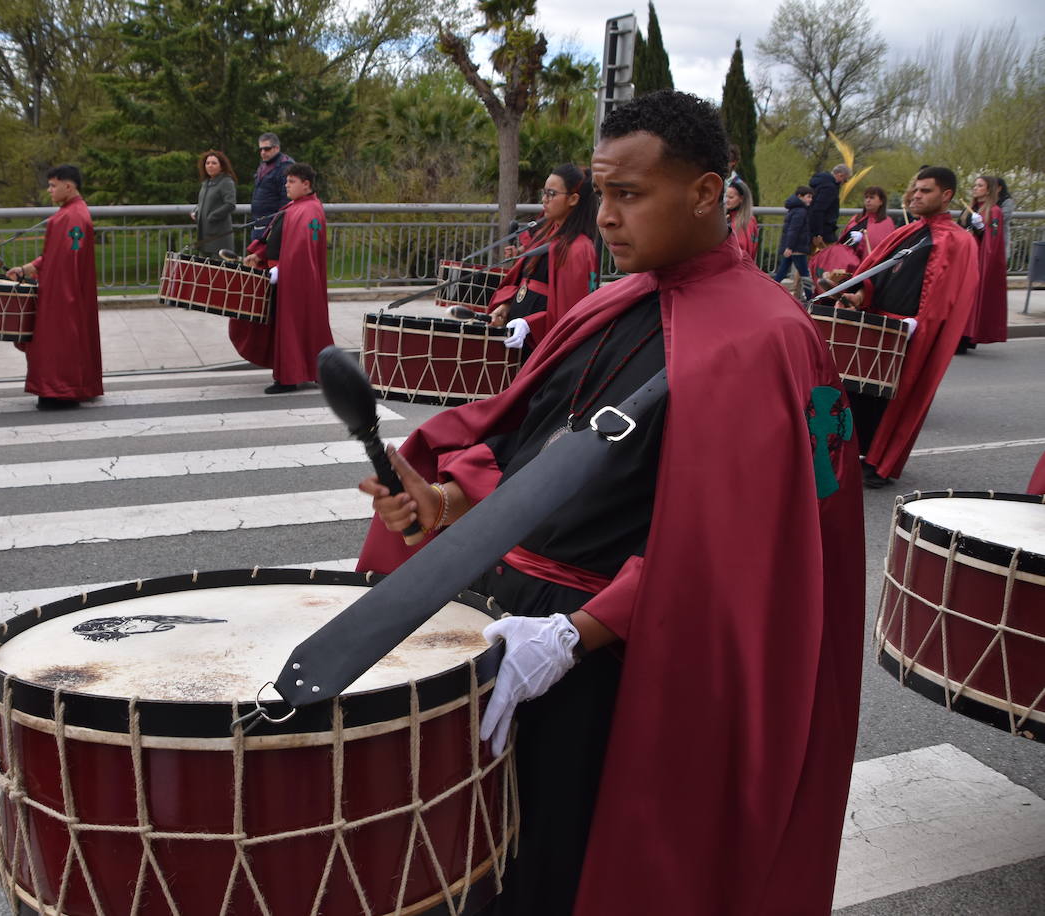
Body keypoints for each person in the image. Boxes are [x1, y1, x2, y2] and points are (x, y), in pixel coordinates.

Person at [357, 90, 863, 915]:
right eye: (601, 194)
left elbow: (736, 548)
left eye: (629, 194)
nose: (608, 217)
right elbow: (537, 445)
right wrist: (448, 501)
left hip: (615, 652)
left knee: (566, 865)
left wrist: (570, 635)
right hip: (510, 619)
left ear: (706, 194)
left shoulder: (767, 339)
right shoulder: (614, 301)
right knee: (481, 861)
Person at [841, 166, 979, 488]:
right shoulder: (907, 232)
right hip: (881, 324)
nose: (916, 195)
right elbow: (877, 275)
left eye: (926, 190)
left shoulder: (959, 241)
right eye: (915, 189)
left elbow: (946, 299)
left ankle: (879, 463)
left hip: (913, 333)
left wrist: (920, 325)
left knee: (898, 398)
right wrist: (860, 295)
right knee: (862, 394)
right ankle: (853, 453)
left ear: (946, 196)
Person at [4, 165, 103, 409]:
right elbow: (55, 256)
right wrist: (26, 270)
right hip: (61, 289)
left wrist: (54, 294)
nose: (49, 190)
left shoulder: (72, 217)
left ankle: (60, 390)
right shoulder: (69, 214)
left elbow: (67, 262)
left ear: (68, 187)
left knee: (57, 342)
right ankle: (70, 386)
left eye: (53, 185)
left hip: (61, 293)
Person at [235, 163, 333, 394]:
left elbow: (302, 250)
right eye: (287, 181)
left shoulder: (310, 210)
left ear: (305, 184)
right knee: (290, 327)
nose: (286, 185)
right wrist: (258, 255)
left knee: (291, 327)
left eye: (291, 182)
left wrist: (282, 270)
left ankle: (289, 377)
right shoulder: (295, 206)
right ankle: (304, 371)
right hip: (282, 275)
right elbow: (278, 238)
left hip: (294, 280)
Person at [486, 162, 598, 353]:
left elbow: (569, 314)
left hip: (539, 343)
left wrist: (530, 324)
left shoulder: (579, 249)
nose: (544, 199)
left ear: (573, 199)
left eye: (551, 194)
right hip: (519, 335)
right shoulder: (545, 235)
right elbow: (523, 282)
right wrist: (506, 305)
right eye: (544, 193)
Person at [957, 174, 1008, 350]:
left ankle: (964, 337)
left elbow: (992, 242)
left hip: (977, 261)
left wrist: (981, 229)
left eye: (980, 185)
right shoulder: (970, 209)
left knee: (969, 299)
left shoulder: (994, 211)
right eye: (975, 185)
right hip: (965, 259)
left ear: (989, 189)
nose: (975, 188)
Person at [812, 185, 896, 279]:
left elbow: (880, 246)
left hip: (864, 265)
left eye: (872, 198)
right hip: (848, 260)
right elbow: (843, 242)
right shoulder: (856, 218)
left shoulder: (885, 222)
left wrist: (862, 239)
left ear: (881, 201)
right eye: (866, 197)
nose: (868, 200)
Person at [249, 133, 294, 243]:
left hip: (272, 227)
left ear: (277, 148)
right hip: (259, 223)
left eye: (267, 149)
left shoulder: (285, 166)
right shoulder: (263, 165)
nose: (263, 152)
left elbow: (286, 200)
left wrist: (276, 226)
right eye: (261, 149)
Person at [192, 149, 238, 257]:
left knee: (217, 268)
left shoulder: (226, 181)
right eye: (207, 163)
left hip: (219, 236)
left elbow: (230, 204)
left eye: (214, 163)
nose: (210, 166)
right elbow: (202, 203)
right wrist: (196, 211)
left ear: (221, 166)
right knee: (203, 268)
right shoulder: (206, 183)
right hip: (204, 235)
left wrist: (212, 216)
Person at [773, 185, 814, 298]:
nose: (810, 199)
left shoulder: (794, 210)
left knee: (782, 271)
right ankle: (811, 298)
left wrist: (788, 246)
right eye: (808, 197)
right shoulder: (801, 211)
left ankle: (770, 289)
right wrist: (790, 247)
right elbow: (794, 230)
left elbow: (791, 230)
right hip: (797, 248)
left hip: (792, 247)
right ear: (800, 196)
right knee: (804, 273)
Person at [808, 163, 850, 250]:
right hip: (824, 230)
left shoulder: (819, 183)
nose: (844, 183)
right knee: (831, 255)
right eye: (845, 180)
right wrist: (818, 233)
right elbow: (819, 210)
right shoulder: (830, 188)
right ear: (840, 175)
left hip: (812, 227)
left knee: (807, 257)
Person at [724, 178, 759, 261]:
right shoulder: (730, 217)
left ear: (741, 199)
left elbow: (740, 249)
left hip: (737, 268)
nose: (726, 200)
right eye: (726, 196)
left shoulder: (745, 222)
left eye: (731, 197)